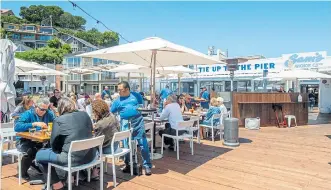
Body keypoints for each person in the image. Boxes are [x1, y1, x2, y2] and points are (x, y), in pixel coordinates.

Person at [35, 97, 95, 190]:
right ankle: (68, 178)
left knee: (39, 155)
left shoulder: (59, 120)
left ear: (60, 108)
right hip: (90, 156)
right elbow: (90, 131)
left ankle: (57, 184)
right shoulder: (85, 115)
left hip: (71, 159)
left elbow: (54, 145)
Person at [111, 81, 152, 175]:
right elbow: (111, 113)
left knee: (143, 143)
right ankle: (128, 164)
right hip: (125, 123)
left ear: (127, 89)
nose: (118, 92)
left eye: (120, 90)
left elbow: (142, 106)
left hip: (138, 121)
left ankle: (147, 165)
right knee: (126, 146)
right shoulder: (117, 101)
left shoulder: (136, 96)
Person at [14, 98, 56, 179]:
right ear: (35, 106)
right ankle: (22, 173)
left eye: (46, 110)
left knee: (51, 149)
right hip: (24, 140)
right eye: (41, 109)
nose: (44, 112)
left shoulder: (49, 113)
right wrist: (34, 124)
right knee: (29, 151)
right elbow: (17, 127)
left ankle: (45, 169)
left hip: (39, 140)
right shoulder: (27, 114)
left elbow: (56, 122)